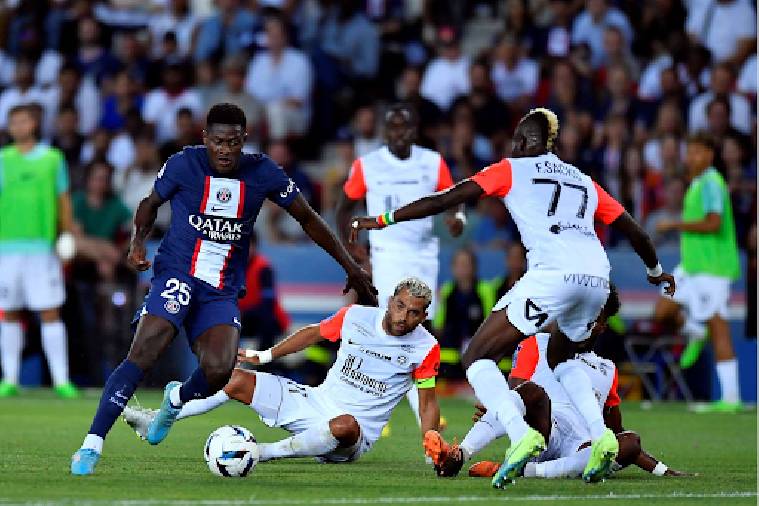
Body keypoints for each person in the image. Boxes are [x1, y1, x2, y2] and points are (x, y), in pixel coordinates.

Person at [350, 107, 675, 487]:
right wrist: (656, 273)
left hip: (553, 274)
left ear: (521, 142)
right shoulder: (583, 180)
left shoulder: (510, 168)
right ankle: (602, 436)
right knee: (561, 357)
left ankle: (521, 436)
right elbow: (637, 232)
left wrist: (381, 220)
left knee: (476, 356)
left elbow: (444, 199)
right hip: (598, 277)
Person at [70, 103, 376, 475]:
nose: (225, 150)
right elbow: (149, 204)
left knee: (218, 370)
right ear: (205, 139)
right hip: (178, 274)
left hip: (221, 290)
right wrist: (137, 242)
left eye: (233, 142)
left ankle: (175, 399)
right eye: (218, 142)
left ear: (244, 140)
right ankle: (91, 445)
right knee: (146, 350)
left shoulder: (263, 172)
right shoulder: (184, 163)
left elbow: (308, 218)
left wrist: (350, 266)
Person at [123, 278, 441, 465]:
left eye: (414, 312)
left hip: (354, 434)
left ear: (424, 315)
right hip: (315, 402)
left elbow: (426, 402)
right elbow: (312, 333)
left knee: (344, 425)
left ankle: (259, 453)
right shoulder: (356, 316)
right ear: (390, 301)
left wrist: (431, 440)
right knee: (233, 379)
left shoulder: (425, 347)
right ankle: (157, 418)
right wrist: (264, 356)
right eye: (400, 306)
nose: (404, 317)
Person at [425, 285, 688, 480]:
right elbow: (519, 391)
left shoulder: (607, 368)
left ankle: (527, 471)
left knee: (630, 441)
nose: (590, 323)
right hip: (541, 429)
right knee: (531, 393)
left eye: (598, 318)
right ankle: (459, 455)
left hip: (579, 448)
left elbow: (614, 431)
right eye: (586, 314)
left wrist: (662, 470)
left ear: (604, 326)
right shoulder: (536, 343)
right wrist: (503, 407)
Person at [336, 103, 464, 427]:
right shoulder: (368, 164)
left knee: (421, 329)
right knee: (391, 326)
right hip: (387, 251)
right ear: (384, 131)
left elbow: (451, 198)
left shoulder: (432, 162)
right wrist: (355, 252)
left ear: (414, 130)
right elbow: (343, 208)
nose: (398, 134)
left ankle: (412, 402)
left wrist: (457, 217)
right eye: (392, 128)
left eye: (404, 128)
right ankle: (380, 405)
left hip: (423, 252)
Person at [654, 133, 742, 412]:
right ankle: (694, 332)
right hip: (691, 267)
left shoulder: (712, 183)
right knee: (662, 312)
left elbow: (713, 223)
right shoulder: (699, 183)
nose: (691, 157)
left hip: (711, 269)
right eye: (689, 151)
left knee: (718, 327)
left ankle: (731, 398)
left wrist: (674, 225)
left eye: (697, 152)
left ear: (709, 155)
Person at [0, 104, 79, 399]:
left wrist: (67, 232)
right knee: (8, 312)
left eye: (21, 121)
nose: (16, 127)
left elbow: (63, 198)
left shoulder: (52, 159)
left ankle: (61, 380)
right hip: (6, 247)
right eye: (12, 122)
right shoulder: (3, 159)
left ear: (33, 123)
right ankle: (9, 378)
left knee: (49, 311)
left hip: (41, 247)